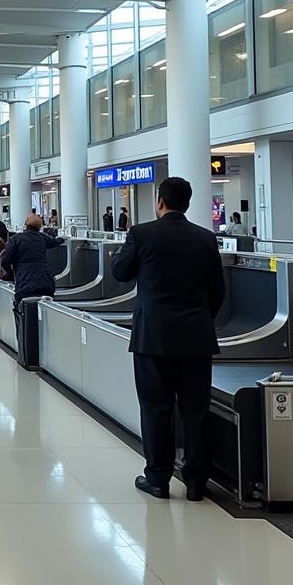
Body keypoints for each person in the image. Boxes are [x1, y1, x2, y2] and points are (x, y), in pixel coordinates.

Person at [110, 177, 225, 502]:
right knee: (195, 410)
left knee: (156, 407)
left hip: (153, 338)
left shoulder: (142, 233)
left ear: (159, 202)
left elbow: (120, 272)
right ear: (186, 203)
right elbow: (218, 291)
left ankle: (158, 479)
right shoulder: (205, 238)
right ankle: (196, 482)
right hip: (196, 338)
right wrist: (201, 320)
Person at [0, 214, 64, 306]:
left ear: (25, 224)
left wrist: (12, 275)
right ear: (40, 226)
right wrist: (63, 239)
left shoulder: (15, 239)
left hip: (24, 283)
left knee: (24, 312)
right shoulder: (42, 237)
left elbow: (4, 261)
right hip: (45, 282)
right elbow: (55, 242)